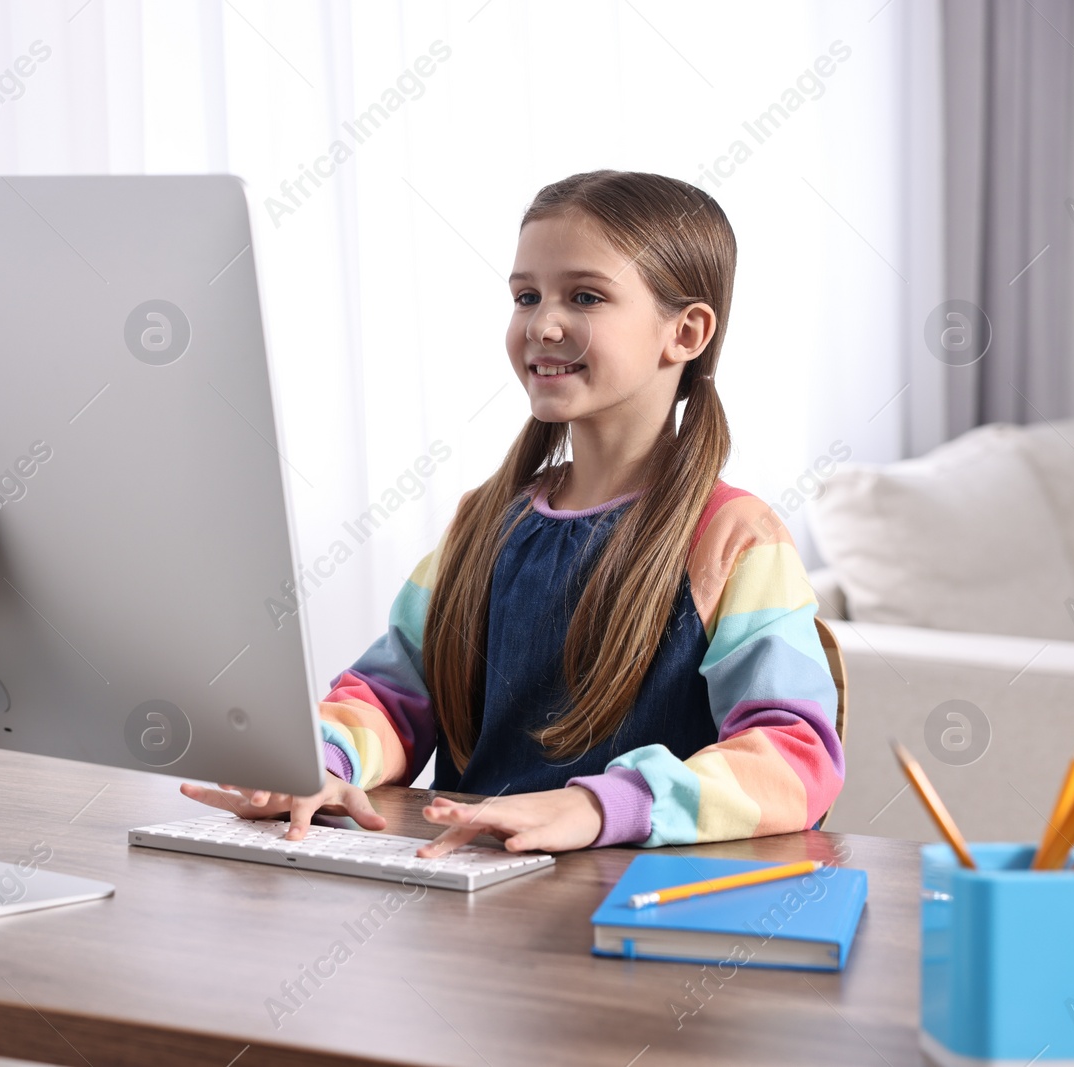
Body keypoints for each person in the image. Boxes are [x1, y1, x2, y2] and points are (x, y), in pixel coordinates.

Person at [182, 170, 843, 857]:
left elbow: (796, 758)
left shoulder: (736, 539)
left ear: (686, 331)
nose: (542, 322)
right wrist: (320, 764)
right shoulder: (482, 523)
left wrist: (597, 805)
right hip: (469, 893)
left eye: (584, 295)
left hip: (633, 907)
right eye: (526, 295)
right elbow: (390, 694)